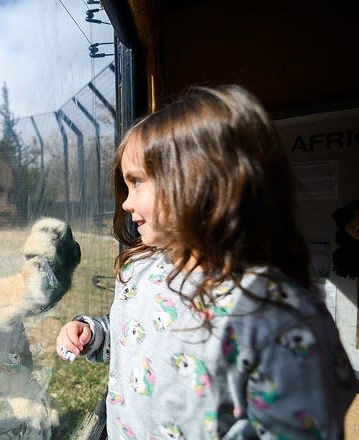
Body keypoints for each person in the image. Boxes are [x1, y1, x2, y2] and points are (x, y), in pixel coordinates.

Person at [56, 84, 357, 439]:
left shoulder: (279, 318)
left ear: (197, 180)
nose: (126, 203)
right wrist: (95, 333)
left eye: (136, 182)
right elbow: (135, 337)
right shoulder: (141, 269)